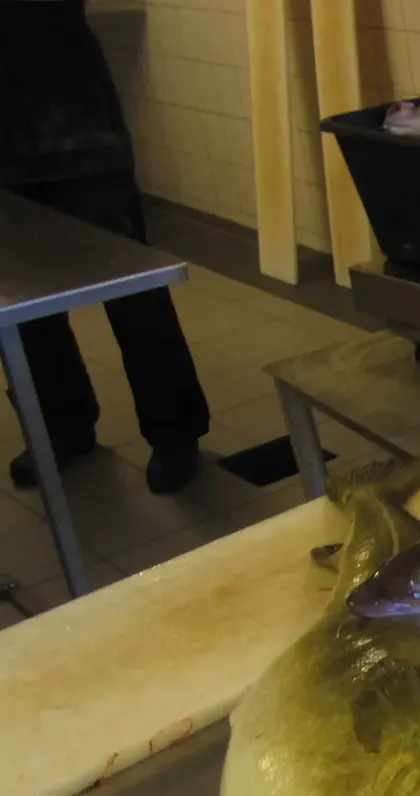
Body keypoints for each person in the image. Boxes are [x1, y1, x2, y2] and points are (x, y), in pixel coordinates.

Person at [1, 0, 210, 494]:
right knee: (24, 306)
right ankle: (61, 428)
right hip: (5, 149)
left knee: (135, 292)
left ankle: (175, 431)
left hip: (80, 130)